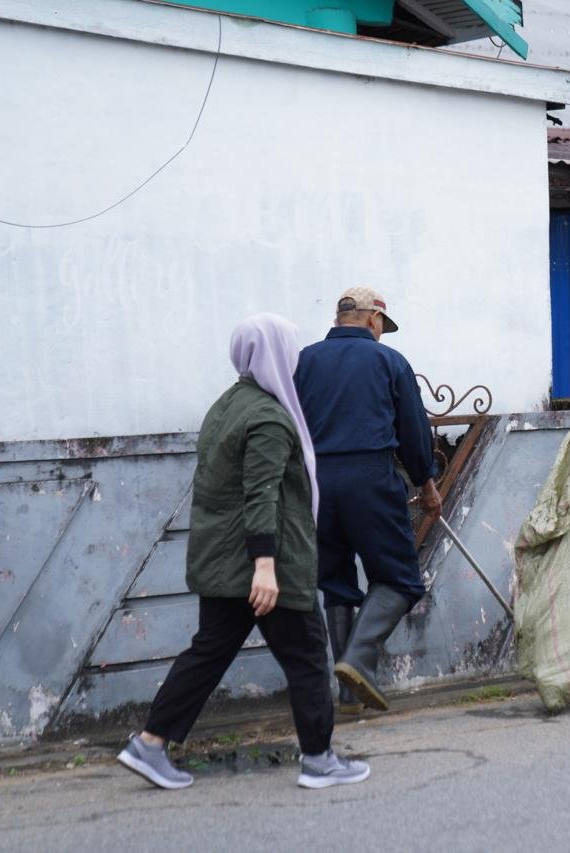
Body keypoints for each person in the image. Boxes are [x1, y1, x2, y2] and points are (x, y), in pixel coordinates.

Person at [116, 313, 370, 790]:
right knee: (309, 654)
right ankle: (319, 760)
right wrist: (266, 566)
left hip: (221, 561)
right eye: (290, 349)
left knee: (209, 652)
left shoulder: (227, 405)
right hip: (266, 568)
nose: (295, 359)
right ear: (277, 353)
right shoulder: (270, 417)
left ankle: (149, 744)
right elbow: (262, 495)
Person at [295, 287, 441, 714]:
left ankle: (347, 694)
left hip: (316, 481)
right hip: (370, 478)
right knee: (400, 578)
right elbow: (413, 430)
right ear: (373, 320)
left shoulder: (302, 361)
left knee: (336, 581)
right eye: (383, 326)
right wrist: (426, 481)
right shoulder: (388, 361)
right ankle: (358, 660)